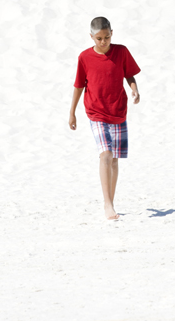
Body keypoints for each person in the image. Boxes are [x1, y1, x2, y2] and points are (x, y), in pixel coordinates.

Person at [69, 16, 141, 220]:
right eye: (99, 38)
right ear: (91, 36)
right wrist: (72, 112)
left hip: (118, 110)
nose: (103, 42)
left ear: (112, 33)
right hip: (96, 112)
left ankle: (112, 202)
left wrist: (135, 90)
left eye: (107, 37)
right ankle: (107, 204)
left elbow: (130, 75)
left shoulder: (122, 52)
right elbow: (78, 85)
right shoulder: (84, 57)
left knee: (115, 160)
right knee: (106, 154)